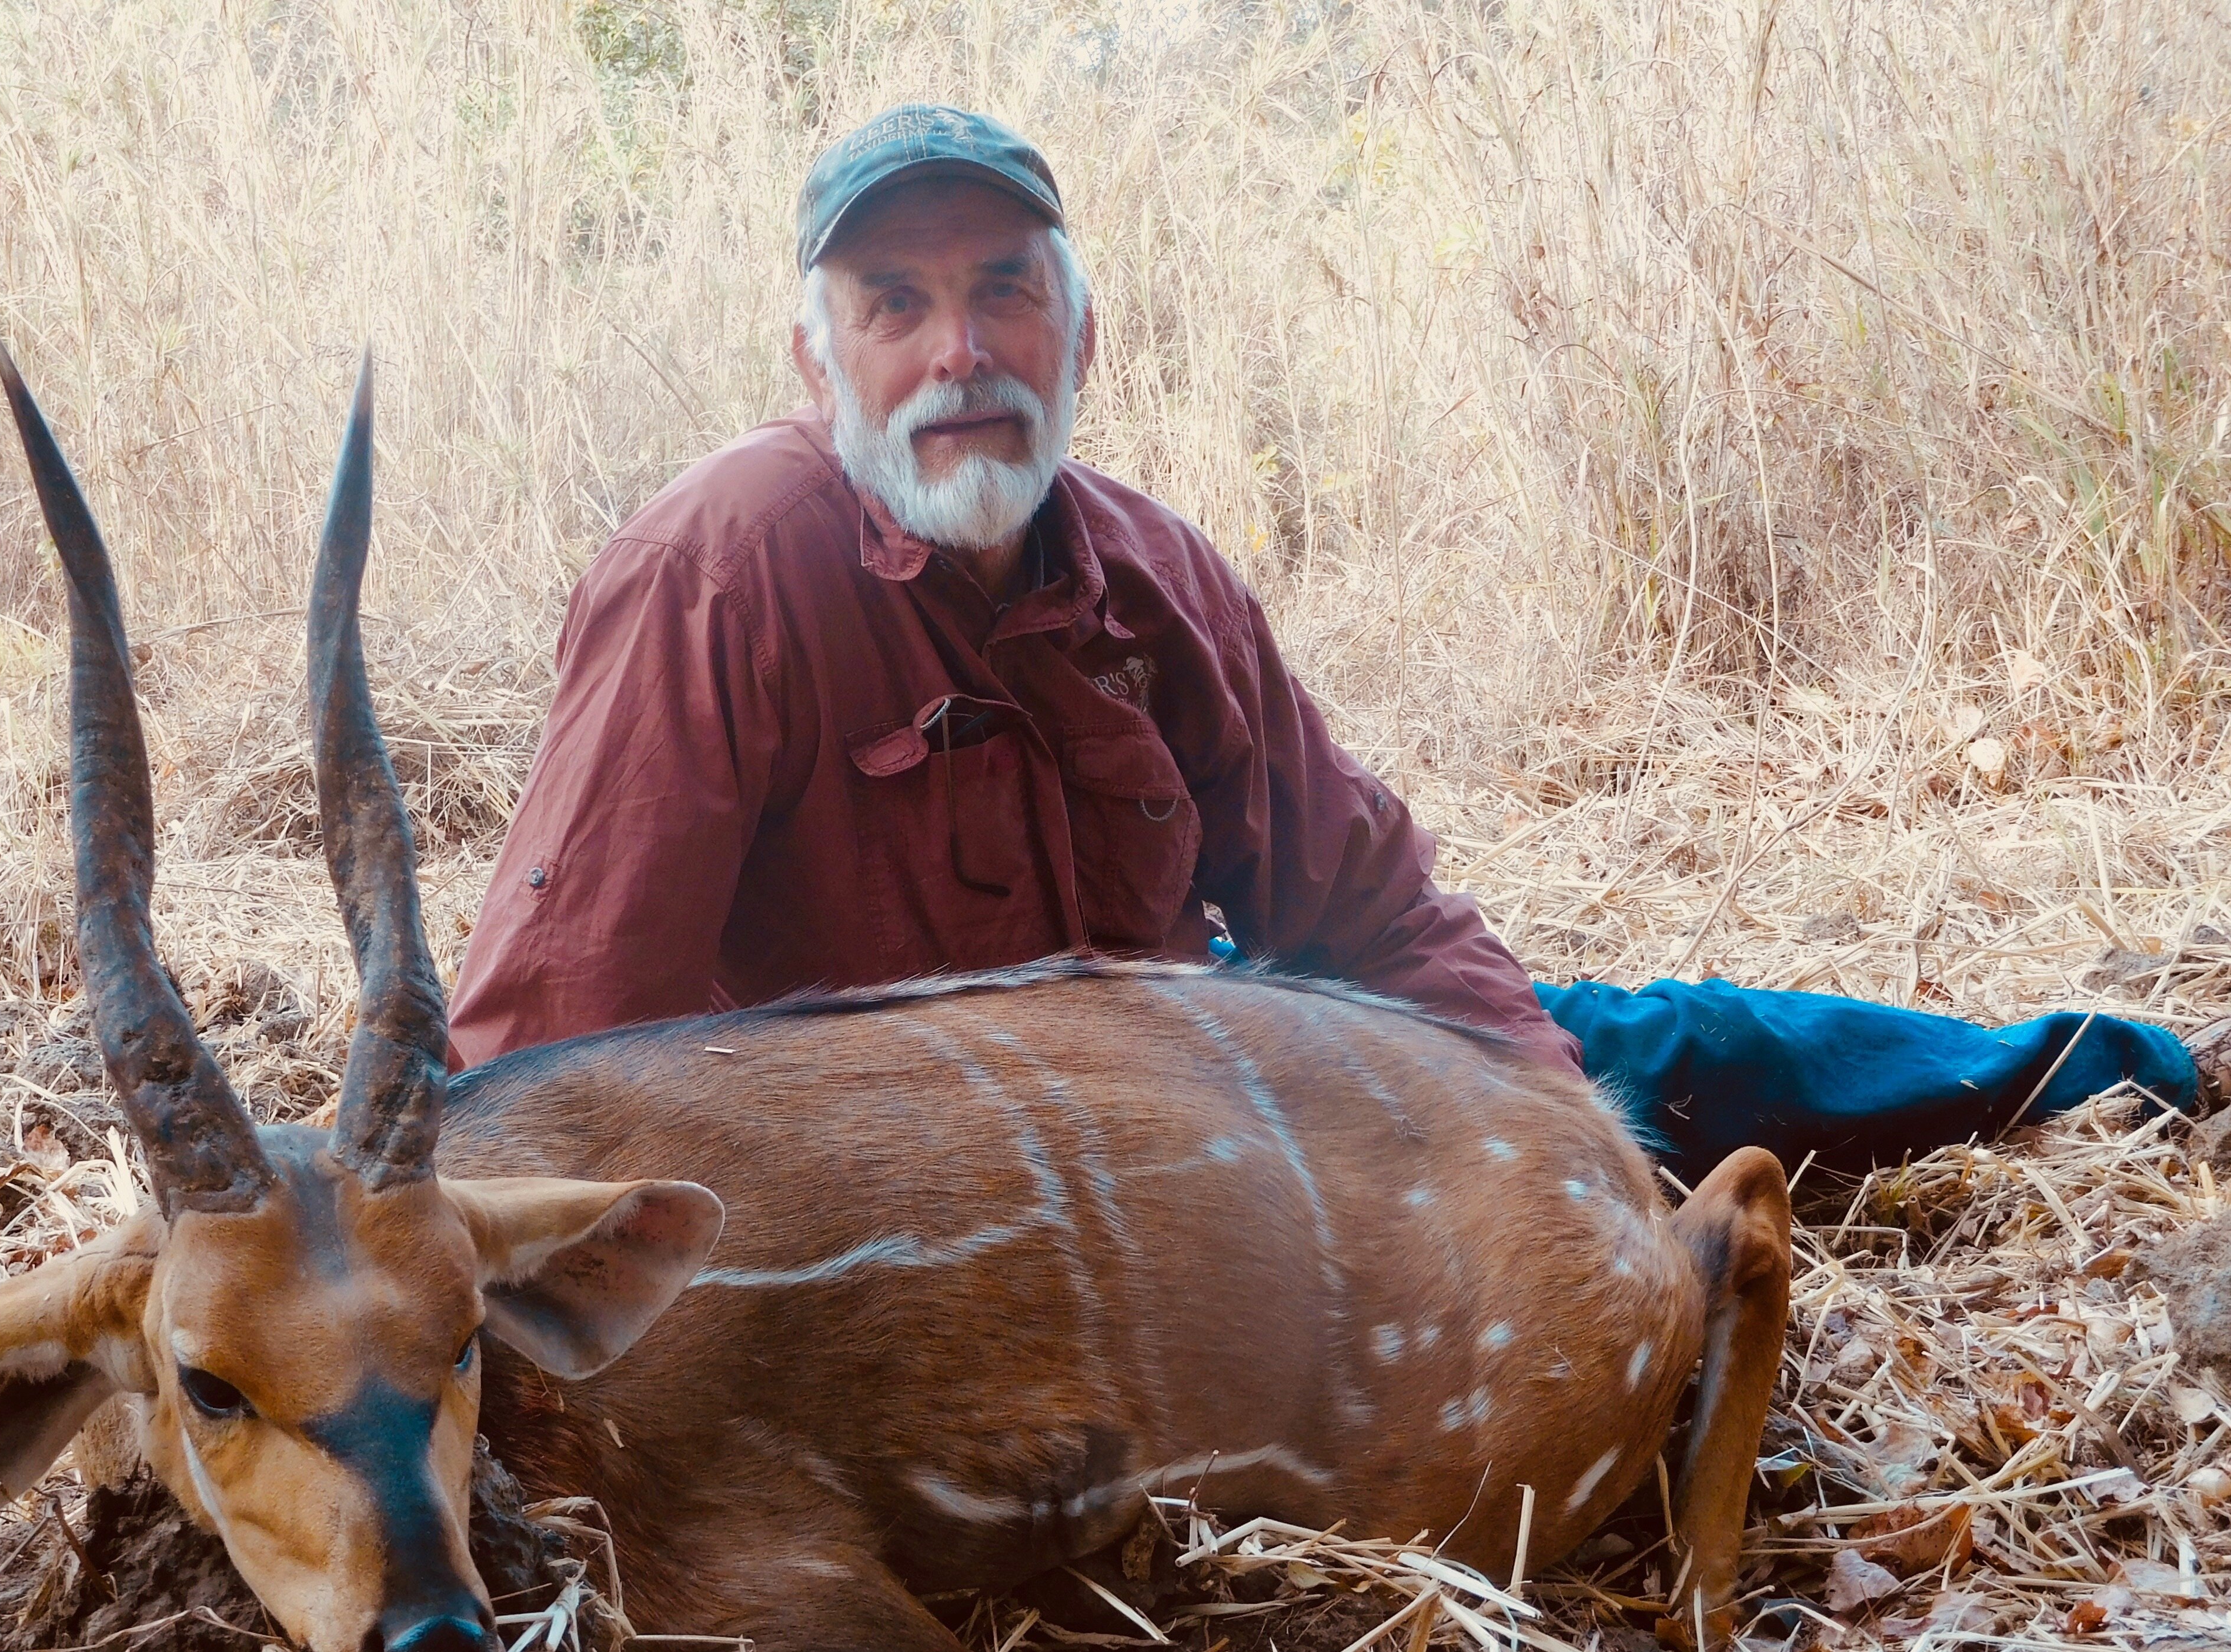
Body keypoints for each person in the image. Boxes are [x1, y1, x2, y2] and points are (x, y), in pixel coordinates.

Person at [447, 104, 2223, 1186]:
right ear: (814, 359)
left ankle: (2117, 1070)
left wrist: (1567, 1153)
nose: (956, 353)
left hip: (1191, 1101)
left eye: (1004, 290)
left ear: (1084, 334)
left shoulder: (1156, 573)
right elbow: (543, 1056)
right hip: (909, 1191)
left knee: (1627, 1054)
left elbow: (1364, 914)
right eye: (894, 306)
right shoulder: (723, 567)